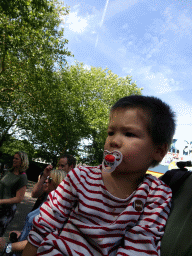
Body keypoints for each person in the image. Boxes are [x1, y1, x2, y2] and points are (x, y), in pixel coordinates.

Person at [22, 95, 176, 256]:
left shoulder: (157, 195)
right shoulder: (80, 177)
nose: (114, 141)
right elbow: (44, 225)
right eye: (110, 132)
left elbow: (140, 247)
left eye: (129, 134)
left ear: (159, 151)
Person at [0, 169, 67, 255]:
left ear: (58, 184)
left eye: (49, 179)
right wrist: (21, 235)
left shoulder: (54, 210)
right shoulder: (47, 201)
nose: (46, 180)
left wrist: (7, 247)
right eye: (46, 178)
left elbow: (39, 240)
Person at [0, 152, 28, 237]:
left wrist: (1, 201)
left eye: (17, 158)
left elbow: (19, 198)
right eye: (14, 158)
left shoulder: (22, 177)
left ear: (23, 161)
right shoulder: (8, 171)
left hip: (6, 210)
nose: (14, 160)